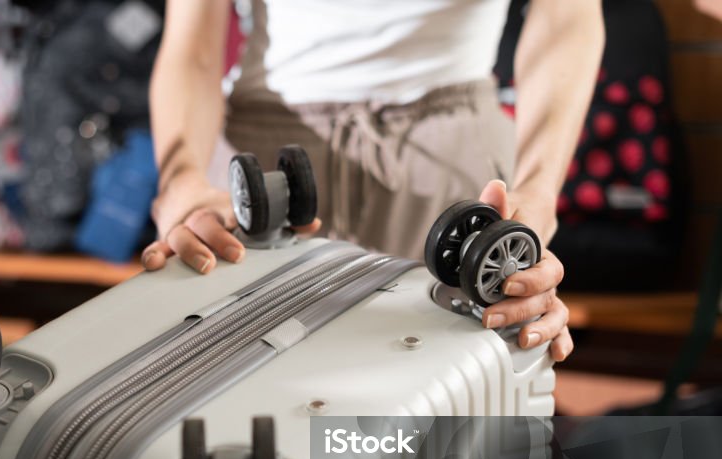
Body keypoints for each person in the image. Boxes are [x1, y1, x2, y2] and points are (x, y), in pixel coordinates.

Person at [142, 0, 607, 362]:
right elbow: (194, 47)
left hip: (449, 157)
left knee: (440, 430)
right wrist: (181, 183)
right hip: (270, 161)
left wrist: (538, 193)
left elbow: (566, 19)